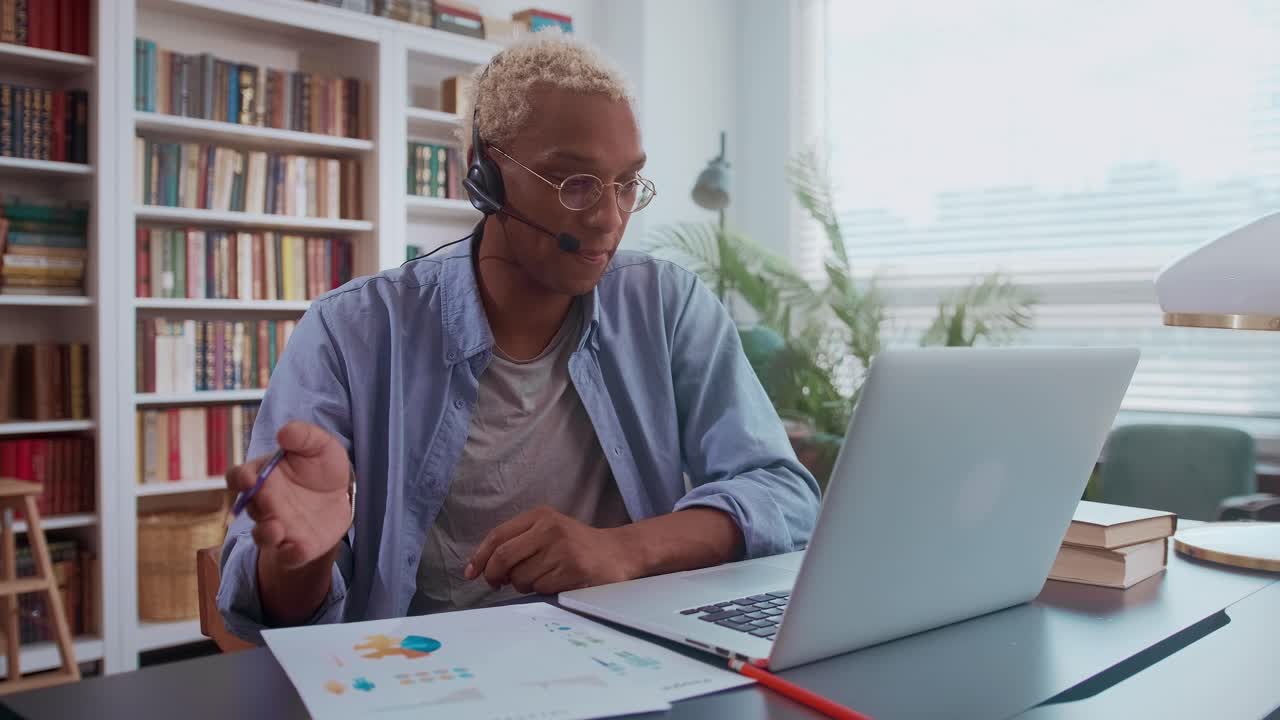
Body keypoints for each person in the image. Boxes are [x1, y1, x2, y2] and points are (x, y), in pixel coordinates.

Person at [218, 30, 820, 642]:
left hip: (635, 660)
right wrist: (304, 559)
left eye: (628, 182)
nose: (610, 217)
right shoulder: (351, 332)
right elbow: (261, 609)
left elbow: (785, 494)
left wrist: (625, 550)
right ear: (485, 174)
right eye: (575, 182)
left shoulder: (666, 306)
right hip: (424, 676)